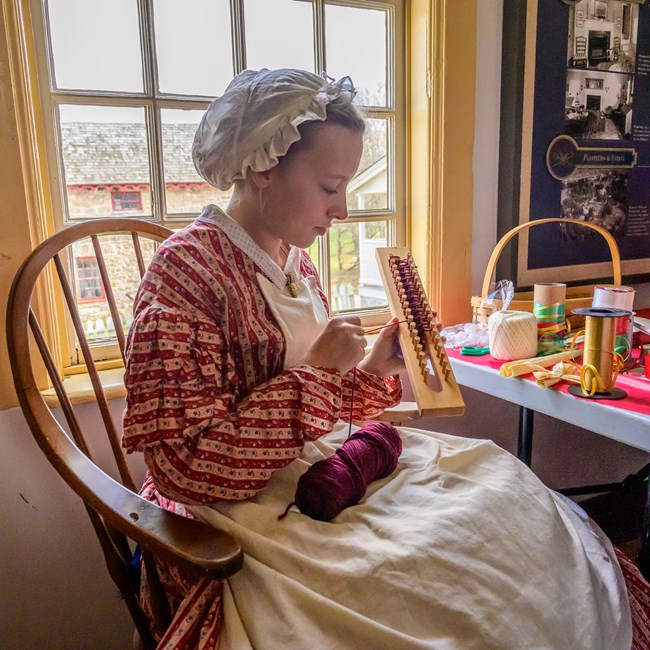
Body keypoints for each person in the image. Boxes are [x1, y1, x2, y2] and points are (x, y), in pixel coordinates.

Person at [123, 68, 644, 649]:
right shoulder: (184, 276)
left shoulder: (293, 260)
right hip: (235, 505)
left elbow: (314, 405)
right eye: (329, 187)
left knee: (501, 492)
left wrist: (373, 369)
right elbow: (185, 465)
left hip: (315, 467)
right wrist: (320, 375)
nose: (342, 209)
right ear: (263, 166)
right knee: (439, 575)